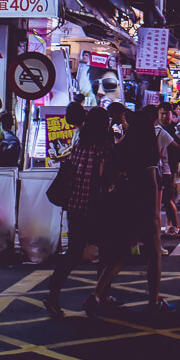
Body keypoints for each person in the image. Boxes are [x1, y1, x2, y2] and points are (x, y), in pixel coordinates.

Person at [87, 111, 173, 315]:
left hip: (122, 207)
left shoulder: (121, 147)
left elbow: (107, 178)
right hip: (144, 207)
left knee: (120, 254)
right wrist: (154, 216)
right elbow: (152, 184)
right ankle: (154, 300)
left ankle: (96, 295)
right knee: (153, 254)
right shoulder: (148, 149)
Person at [43, 108, 112, 318]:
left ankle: (53, 294)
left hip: (75, 206)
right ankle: (100, 296)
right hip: (94, 208)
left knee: (72, 253)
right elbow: (103, 178)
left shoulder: (80, 143)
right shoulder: (104, 146)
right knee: (108, 252)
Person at [155, 104, 180, 236]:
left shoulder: (174, 129)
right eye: (162, 114)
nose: (165, 116)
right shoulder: (156, 128)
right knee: (165, 198)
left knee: (168, 197)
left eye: (167, 114)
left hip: (170, 167)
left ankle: (174, 225)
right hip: (159, 168)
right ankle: (169, 224)